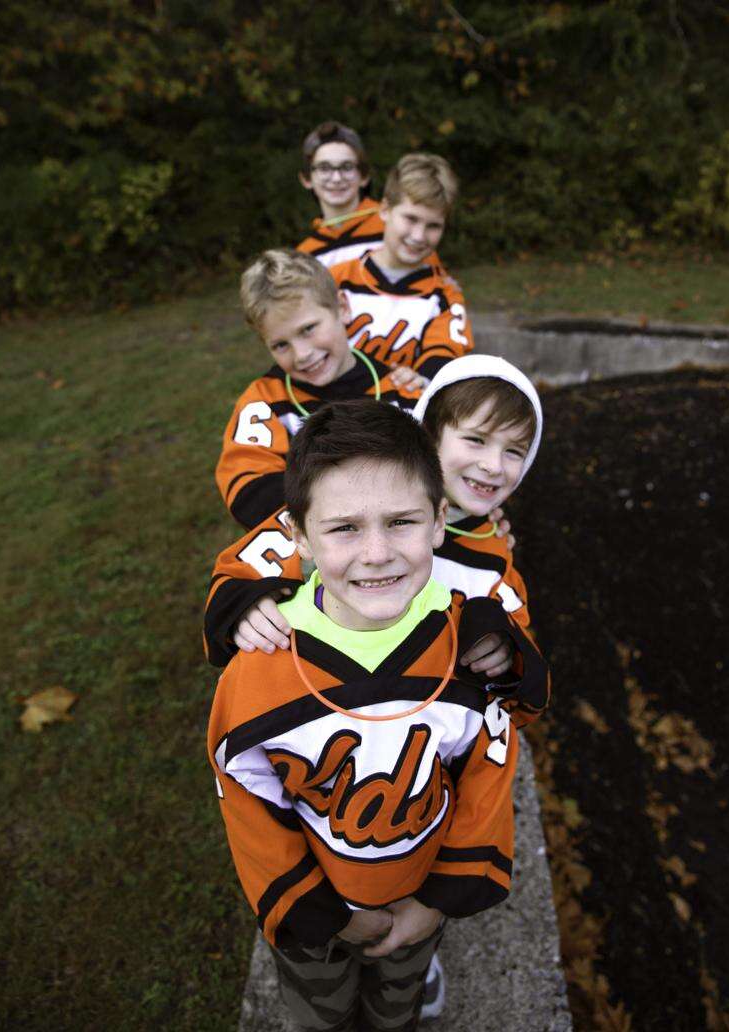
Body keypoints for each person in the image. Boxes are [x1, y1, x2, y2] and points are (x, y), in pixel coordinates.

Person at [207, 400, 550, 1031]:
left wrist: (435, 901)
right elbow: (247, 801)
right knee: (321, 1016)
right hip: (318, 909)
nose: (376, 553)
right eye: (343, 529)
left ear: (441, 520)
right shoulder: (258, 672)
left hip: (418, 894)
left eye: (402, 522)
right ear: (299, 536)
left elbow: (489, 771)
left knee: (398, 1009)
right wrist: (321, 911)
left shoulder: (470, 654)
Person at [205, 354, 541, 669]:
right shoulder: (348, 506)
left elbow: (523, 646)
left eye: (514, 451)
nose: (493, 465)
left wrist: (507, 652)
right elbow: (239, 572)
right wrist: (243, 608)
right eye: (476, 440)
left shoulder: (495, 551)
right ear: (430, 434)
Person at [216, 248, 424, 530]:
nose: (301, 354)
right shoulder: (264, 402)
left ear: (343, 308)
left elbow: (447, 471)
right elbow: (249, 492)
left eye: (308, 329)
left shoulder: (400, 389)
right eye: (280, 344)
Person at [329, 152, 474, 379]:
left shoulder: (445, 295)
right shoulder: (336, 279)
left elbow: (444, 359)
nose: (418, 236)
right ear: (385, 210)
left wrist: (422, 380)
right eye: (411, 219)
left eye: (433, 226)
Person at [296, 120, 386, 268]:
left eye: (347, 167)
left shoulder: (392, 227)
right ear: (306, 179)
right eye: (324, 168)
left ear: (364, 176)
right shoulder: (306, 257)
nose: (336, 178)